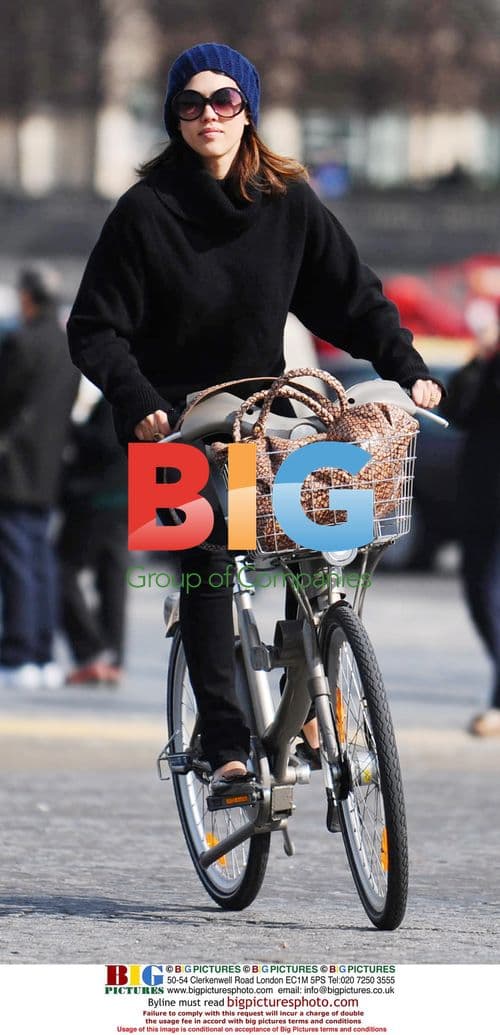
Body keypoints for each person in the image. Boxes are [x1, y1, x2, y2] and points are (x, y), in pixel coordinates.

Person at [67, 42, 443, 789]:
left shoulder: (287, 202)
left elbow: (352, 298)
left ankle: (310, 691)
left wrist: (409, 369)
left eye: (224, 100)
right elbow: (94, 328)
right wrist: (138, 400)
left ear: (249, 111)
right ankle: (227, 747)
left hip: (261, 416)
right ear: (174, 117)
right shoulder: (144, 212)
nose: (208, 114)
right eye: (190, 103)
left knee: (321, 537)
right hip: (171, 428)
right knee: (206, 560)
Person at [0, 265, 79, 689]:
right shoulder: (67, 349)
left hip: (13, 467)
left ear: (28, 298)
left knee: (16, 561)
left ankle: (18, 651)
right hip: (49, 467)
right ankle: (43, 650)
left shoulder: (20, 342)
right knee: (40, 560)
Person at [442, 306, 500, 736]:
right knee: (478, 589)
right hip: (481, 493)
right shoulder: (487, 363)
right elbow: (458, 410)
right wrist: (480, 359)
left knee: (492, 593)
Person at [57, 394, 129, 686]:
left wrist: (70, 424)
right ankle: (111, 657)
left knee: (59, 570)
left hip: (97, 497)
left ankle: (93, 652)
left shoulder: (118, 394)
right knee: (111, 575)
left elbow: (103, 442)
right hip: (125, 495)